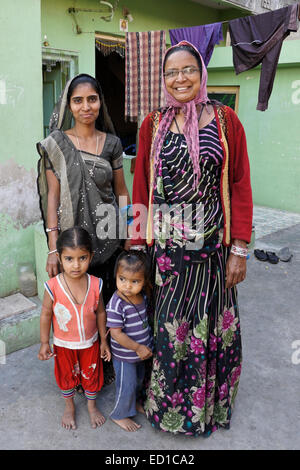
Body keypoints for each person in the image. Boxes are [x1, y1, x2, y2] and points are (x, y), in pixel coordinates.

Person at [131, 41, 253, 437]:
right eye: (171, 72)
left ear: (201, 73)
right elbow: (140, 188)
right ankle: (168, 407)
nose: (179, 78)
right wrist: (136, 245)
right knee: (169, 327)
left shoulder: (225, 120)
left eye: (188, 70)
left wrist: (239, 249)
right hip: (168, 255)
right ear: (163, 79)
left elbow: (238, 184)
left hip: (213, 252)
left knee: (210, 327)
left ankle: (207, 409)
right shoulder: (152, 123)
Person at [37, 73, 131, 384]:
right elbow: (53, 196)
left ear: (100, 102)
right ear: (69, 105)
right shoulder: (56, 145)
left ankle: (108, 367)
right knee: (76, 311)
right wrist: (53, 247)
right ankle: (78, 374)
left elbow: (121, 192)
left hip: (108, 240)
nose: (86, 106)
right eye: (78, 100)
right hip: (73, 245)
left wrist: (130, 231)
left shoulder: (113, 144)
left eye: (92, 99)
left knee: (105, 308)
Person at [37, 226, 111, 430]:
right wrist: (44, 342)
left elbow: (101, 313)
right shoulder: (52, 286)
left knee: (92, 375)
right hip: (63, 344)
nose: (76, 265)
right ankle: (69, 406)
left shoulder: (96, 284)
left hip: (90, 342)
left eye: (82, 258)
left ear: (91, 256)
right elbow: (45, 314)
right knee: (66, 376)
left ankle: (91, 406)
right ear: (60, 258)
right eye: (69, 259)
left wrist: (104, 342)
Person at [106, 250, 153, 432]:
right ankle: (120, 414)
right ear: (116, 276)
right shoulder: (116, 303)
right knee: (127, 384)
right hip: (125, 355)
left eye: (135, 281)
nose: (127, 286)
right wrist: (138, 347)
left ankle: (134, 404)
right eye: (122, 279)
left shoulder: (142, 297)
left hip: (140, 353)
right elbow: (116, 334)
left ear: (144, 280)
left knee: (139, 380)